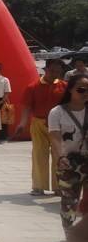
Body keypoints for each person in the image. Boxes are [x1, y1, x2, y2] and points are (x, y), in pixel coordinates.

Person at [16, 59, 67, 196]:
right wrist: (22, 123)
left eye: (58, 71)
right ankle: (38, 186)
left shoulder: (65, 87)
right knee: (39, 154)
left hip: (59, 125)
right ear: (46, 69)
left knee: (59, 155)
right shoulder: (33, 87)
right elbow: (26, 107)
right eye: (52, 71)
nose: (55, 73)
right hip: (39, 123)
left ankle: (59, 186)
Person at [48, 74, 88, 232]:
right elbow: (55, 138)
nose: (86, 92)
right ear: (70, 90)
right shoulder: (57, 112)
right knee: (70, 201)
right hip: (68, 163)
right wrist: (60, 157)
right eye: (81, 89)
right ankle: (69, 230)